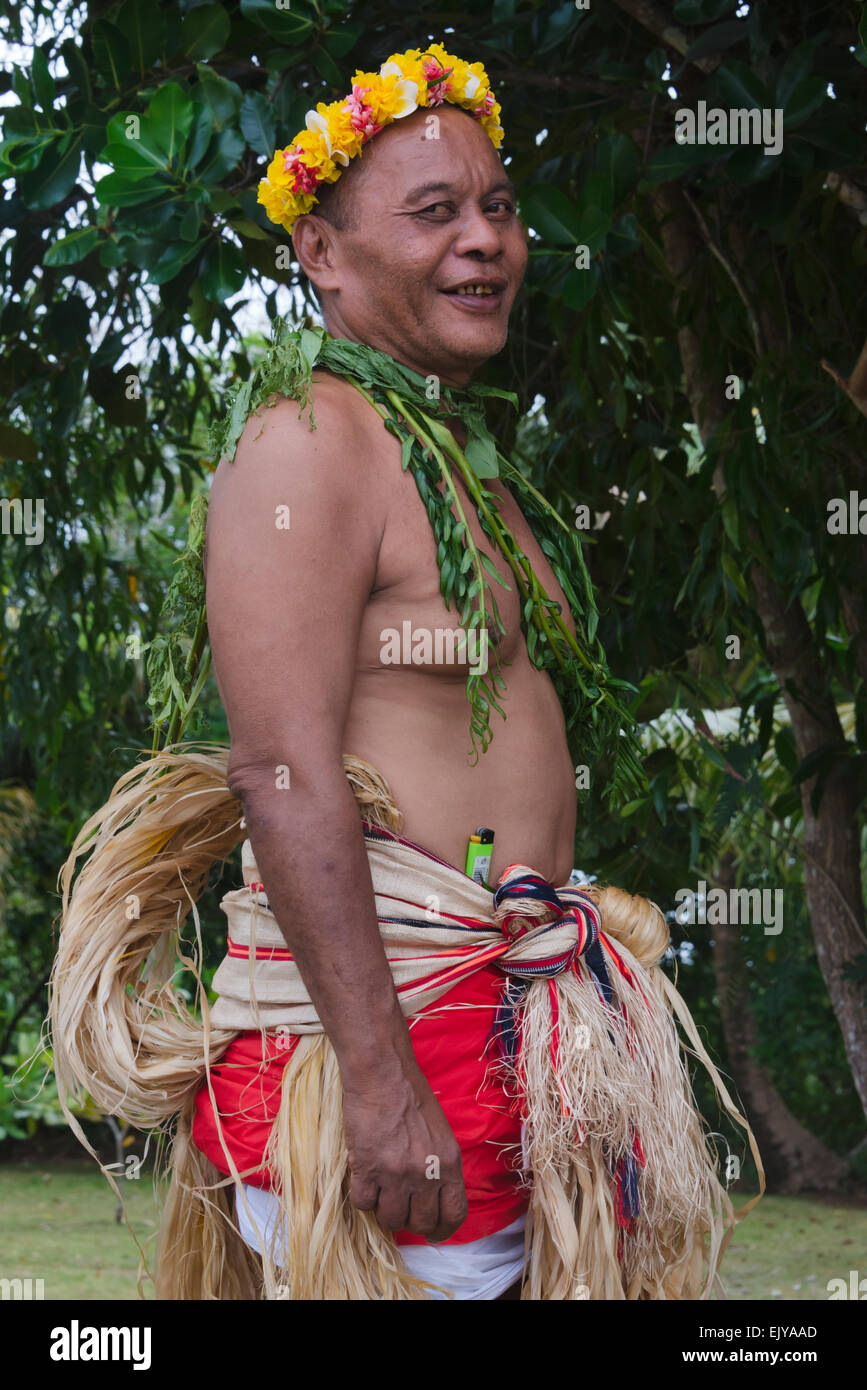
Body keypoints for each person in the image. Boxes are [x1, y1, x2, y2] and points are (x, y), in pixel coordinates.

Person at [50, 43, 761, 1301]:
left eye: (497, 205)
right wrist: (380, 1086)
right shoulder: (307, 446)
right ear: (320, 251)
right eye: (434, 212)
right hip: (391, 1059)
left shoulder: (451, 453)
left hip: (502, 1027)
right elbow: (280, 768)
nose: (484, 239)